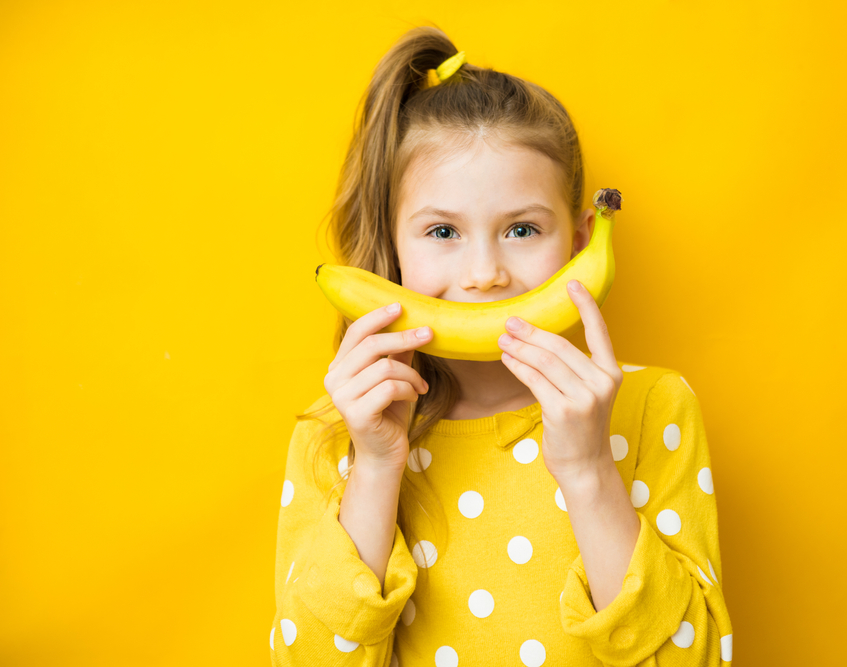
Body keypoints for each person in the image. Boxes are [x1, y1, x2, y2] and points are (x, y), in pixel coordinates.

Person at [270, 25, 733, 667]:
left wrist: (590, 469)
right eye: (442, 231)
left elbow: (695, 660)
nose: (484, 271)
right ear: (393, 249)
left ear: (576, 246)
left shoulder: (652, 408)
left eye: (521, 229)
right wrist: (376, 467)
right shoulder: (337, 434)